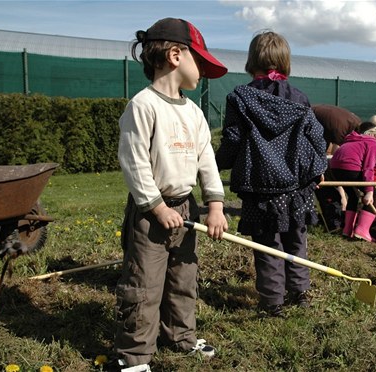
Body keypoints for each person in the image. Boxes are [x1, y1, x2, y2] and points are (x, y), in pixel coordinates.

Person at [114, 18, 228, 371]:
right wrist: (157, 206)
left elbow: (206, 161)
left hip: (186, 209)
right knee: (143, 285)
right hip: (151, 214)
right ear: (176, 55)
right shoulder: (143, 106)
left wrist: (215, 205)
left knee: (184, 279)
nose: (204, 73)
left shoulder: (194, 112)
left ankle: (180, 336)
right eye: (201, 63)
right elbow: (134, 163)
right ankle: (133, 357)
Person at [215, 30, 327, 317]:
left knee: (267, 244)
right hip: (296, 186)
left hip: (260, 186)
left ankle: (272, 302)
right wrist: (318, 170)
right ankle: (299, 292)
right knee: (295, 238)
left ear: (252, 59)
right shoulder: (299, 98)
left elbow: (233, 138)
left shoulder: (240, 97)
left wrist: (215, 165)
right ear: (285, 61)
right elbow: (316, 136)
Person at [330, 121, 376, 241]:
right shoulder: (373, 144)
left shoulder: (355, 138)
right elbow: (368, 168)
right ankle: (362, 230)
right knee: (374, 195)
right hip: (350, 167)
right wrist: (369, 191)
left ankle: (347, 229)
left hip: (335, 168)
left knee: (353, 195)